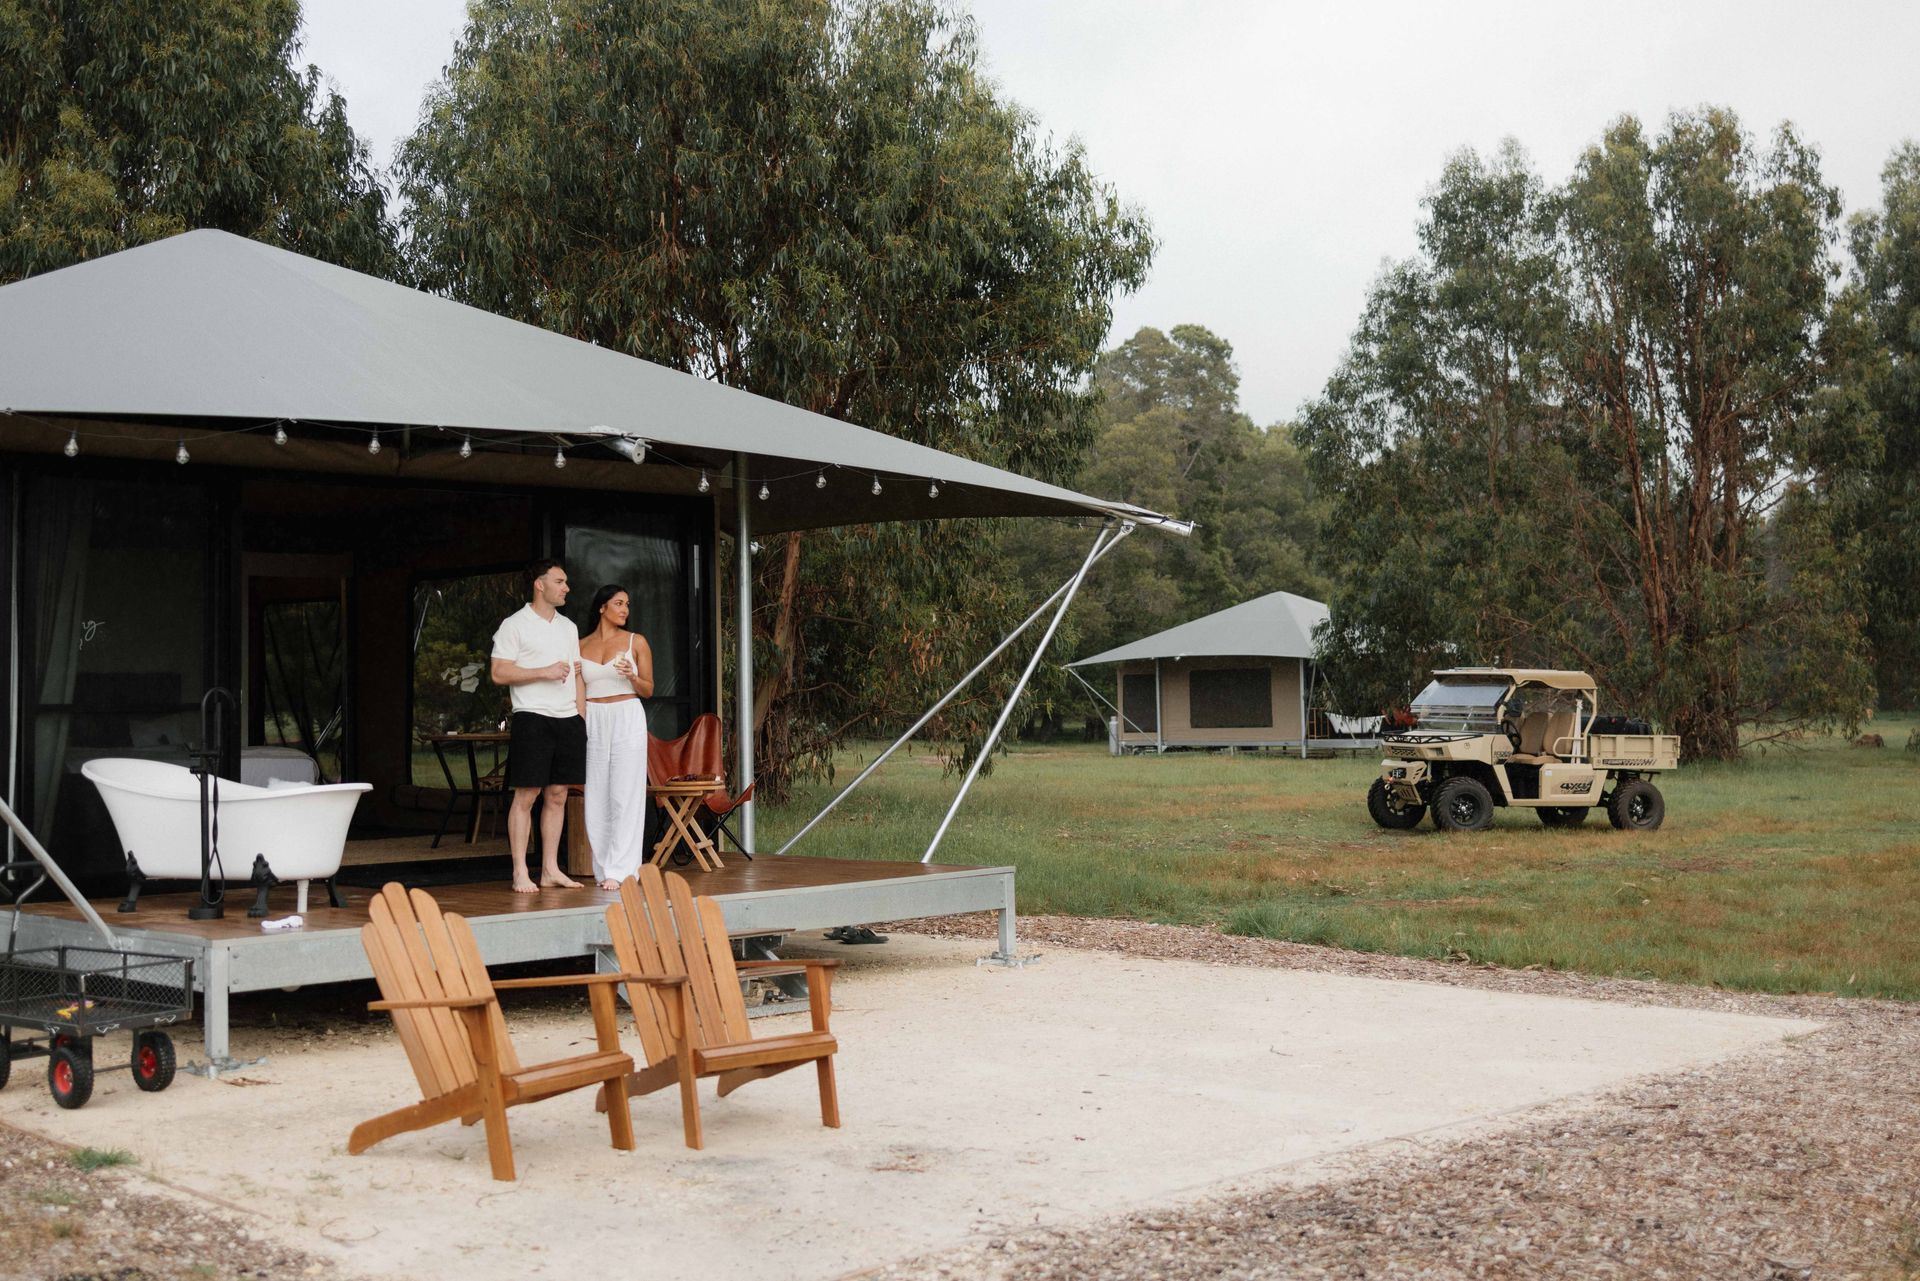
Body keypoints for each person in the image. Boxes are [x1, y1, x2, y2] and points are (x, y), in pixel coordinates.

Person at [490, 560, 586, 894]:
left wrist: (581, 717)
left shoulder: (568, 627)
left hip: (567, 719)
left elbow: (577, 675)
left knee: (557, 795)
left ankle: (549, 869)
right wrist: (541, 672)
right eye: (560, 581)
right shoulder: (514, 625)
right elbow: (499, 673)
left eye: (567, 582)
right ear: (540, 585)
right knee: (527, 794)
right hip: (532, 717)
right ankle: (519, 871)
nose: (567, 587)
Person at [579, 584, 655, 889]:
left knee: (625, 794)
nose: (625, 610)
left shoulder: (637, 642)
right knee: (596, 795)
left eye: (627, 604)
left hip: (626, 715)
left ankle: (623, 869)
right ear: (602, 607)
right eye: (618, 603)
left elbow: (648, 689)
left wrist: (631, 676)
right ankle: (603, 868)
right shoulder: (580, 644)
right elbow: (578, 689)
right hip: (593, 719)